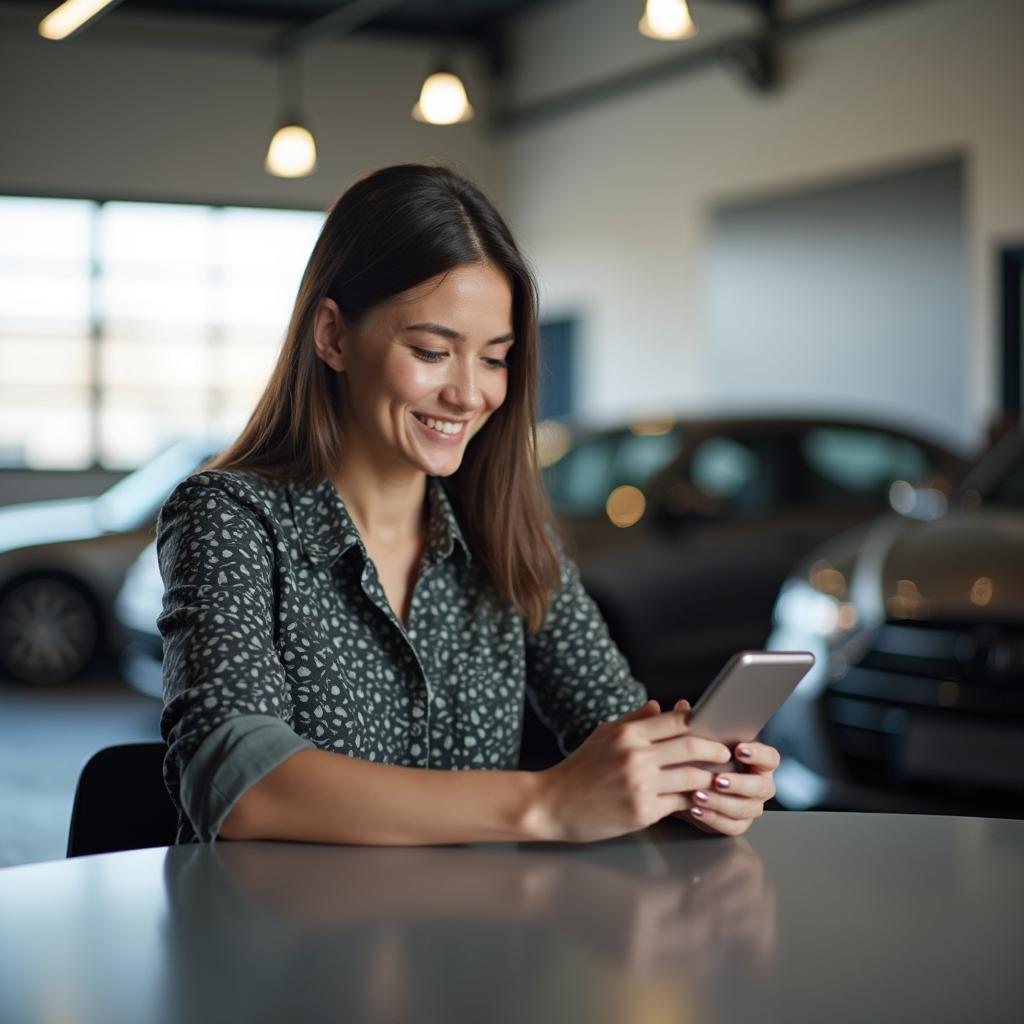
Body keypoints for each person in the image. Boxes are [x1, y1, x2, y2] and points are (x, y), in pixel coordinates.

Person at [155, 163, 779, 847]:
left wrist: (686, 780)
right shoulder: (229, 515)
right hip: (279, 945)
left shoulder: (505, 532)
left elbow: (611, 721)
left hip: (470, 943)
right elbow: (241, 782)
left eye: (494, 359)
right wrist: (544, 802)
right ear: (332, 335)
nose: (468, 394)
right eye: (431, 351)